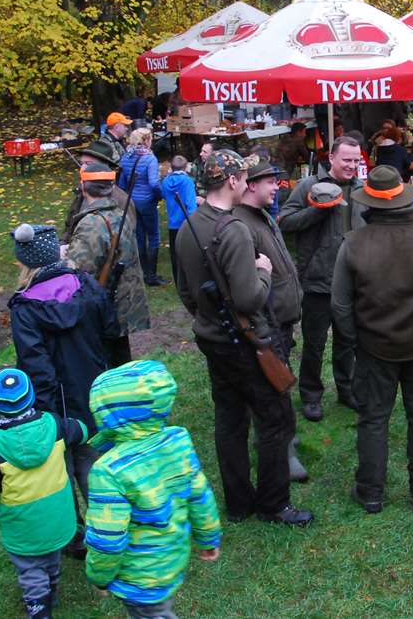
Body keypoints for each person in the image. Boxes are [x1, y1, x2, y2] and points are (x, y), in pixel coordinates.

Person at [174, 150, 313, 526]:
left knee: (230, 420)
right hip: (248, 341)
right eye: (244, 178)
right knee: (274, 419)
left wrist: (208, 319)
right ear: (233, 181)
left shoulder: (189, 226)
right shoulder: (233, 229)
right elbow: (249, 298)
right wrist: (263, 270)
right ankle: (274, 504)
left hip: (212, 338)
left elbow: (186, 291)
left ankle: (238, 503)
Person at [331, 165, 413, 513]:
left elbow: (339, 305)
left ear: (369, 202)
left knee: (373, 420)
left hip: (374, 347)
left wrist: (355, 339)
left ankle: (370, 493)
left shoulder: (353, 243)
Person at [8, 223, 118, 560]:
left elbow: (35, 364)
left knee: (61, 471)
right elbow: (110, 331)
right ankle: (110, 528)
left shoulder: (25, 308)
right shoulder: (87, 286)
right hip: (94, 392)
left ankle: (75, 536)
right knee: (94, 463)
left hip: (55, 405)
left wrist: (45, 414)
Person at [84, 361, 223, 618]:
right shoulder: (177, 441)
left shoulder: (109, 471)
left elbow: (108, 538)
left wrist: (99, 576)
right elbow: (200, 495)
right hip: (172, 560)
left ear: (107, 414)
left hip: (140, 578)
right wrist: (208, 537)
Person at [0, 368, 89, 619]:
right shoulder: (54, 425)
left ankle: (39, 607)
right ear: (32, 396)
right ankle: (51, 588)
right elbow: (80, 430)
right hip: (57, 516)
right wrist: (83, 425)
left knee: (30, 567)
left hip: (22, 523)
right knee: (52, 554)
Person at [278, 136, 366, 421]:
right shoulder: (308, 186)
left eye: (356, 160)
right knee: (314, 344)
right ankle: (311, 395)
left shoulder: (361, 190)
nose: (352, 165)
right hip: (318, 280)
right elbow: (285, 221)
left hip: (352, 281)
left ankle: (346, 389)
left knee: (348, 341)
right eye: (347, 160)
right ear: (331, 158)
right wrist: (317, 210)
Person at [233, 157, 309, 483]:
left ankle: (282, 438)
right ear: (251, 185)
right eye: (269, 182)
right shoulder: (241, 226)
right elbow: (248, 286)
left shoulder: (262, 214)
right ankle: (281, 450)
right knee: (273, 388)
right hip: (266, 323)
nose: (276, 187)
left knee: (280, 381)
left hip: (281, 319)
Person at [66, 164, 150, 367]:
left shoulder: (91, 224)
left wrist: (64, 257)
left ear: (83, 187)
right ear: (111, 187)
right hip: (123, 304)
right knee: (120, 360)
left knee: (104, 365)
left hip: (102, 309)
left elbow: (77, 273)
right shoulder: (120, 214)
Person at [62, 139, 133, 245]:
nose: (82, 168)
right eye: (82, 163)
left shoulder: (121, 200)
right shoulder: (83, 192)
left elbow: (126, 239)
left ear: (104, 168)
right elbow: (70, 226)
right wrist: (64, 244)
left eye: (88, 164)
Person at [119, 128, 166, 286]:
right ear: (146, 141)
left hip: (132, 201)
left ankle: (143, 272)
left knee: (139, 235)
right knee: (153, 236)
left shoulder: (126, 157)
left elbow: (122, 184)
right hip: (147, 202)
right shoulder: (149, 159)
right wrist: (160, 195)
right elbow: (153, 183)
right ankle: (151, 276)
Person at [161, 155, 197, 284]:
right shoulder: (187, 182)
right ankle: (189, 281)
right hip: (186, 223)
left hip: (173, 223)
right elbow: (191, 205)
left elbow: (163, 195)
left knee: (175, 255)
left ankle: (178, 281)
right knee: (188, 254)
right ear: (185, 167)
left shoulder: (166, 181)